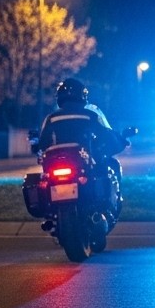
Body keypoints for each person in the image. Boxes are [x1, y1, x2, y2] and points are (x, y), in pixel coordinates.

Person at [35, 77, 128, 214]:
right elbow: (106, 136)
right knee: (105, 169)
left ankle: (53, 216)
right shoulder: (90, 116)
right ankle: (105, 210)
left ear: (59, 97)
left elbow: (42, 143)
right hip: (82, 163)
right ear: (82, 95)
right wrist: (119, 142)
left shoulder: (51, 118)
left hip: (55, 164)